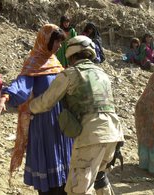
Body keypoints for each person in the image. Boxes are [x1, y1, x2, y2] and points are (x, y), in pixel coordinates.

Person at [27, 35, 124, 195]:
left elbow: (45, 102)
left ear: (70, 55)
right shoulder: (102, 74)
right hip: (114, 133)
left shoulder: (70, 74)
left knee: (78, 188)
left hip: (92, 135)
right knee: (100, 179)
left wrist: (29, 107)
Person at [0, 24, 73, 194]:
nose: (59, 46)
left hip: (61, 121)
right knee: (48, 171)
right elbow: (21, 85)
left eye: (60, 42)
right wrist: (5, 96)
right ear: (45, 41)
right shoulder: (33, 63)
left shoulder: (55, 62)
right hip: (43, 122)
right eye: (56, 41)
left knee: (65, 170)